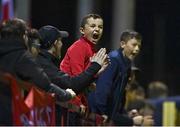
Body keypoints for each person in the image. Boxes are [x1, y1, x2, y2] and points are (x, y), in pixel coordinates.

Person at [0, 18, 75, 125]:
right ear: (23, 36)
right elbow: (45, 85)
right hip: (10, 117)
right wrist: (66, 94)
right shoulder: (22, 57)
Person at [36, 25, 109, 125]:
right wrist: (94, 66)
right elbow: (71, 84)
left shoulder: (46, 61)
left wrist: (94, 75)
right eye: (60, 41)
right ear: (55, 43)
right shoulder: (43, 63)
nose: (62, 45)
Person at [89, 30, 154, 126]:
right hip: (98, 115)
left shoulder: (126, 64)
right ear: (123, 44)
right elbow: (102, 89)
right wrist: (102, 113)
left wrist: (124, 114)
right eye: (134, 45)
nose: (137, 49)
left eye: (139, 46)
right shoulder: (114, 60)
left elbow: (119, 97)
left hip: (106, 114)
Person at [59, 13, 104, 125]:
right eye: (93, 26)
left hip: (77, 103)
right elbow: (76, 79)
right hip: (69, 104)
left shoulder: (91, 49)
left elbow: (84, 79)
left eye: (100, 27)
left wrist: (96, 74)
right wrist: (77, 103)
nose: (97, 29)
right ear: (82, 30)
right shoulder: (79, 47)